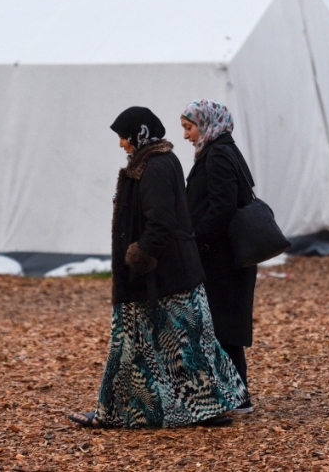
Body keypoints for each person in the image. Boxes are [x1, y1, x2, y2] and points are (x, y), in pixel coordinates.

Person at [68, 106, 247, 429]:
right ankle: (206, 409)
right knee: (184, 346)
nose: (121, 143)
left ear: (139, 133)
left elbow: (160, 222)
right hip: (174, 273)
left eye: (123, 136)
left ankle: (117, 412)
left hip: (161, 276)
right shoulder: (157, 162)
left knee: (135, 348)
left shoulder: (153, 166)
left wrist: (139, 258)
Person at [180, 99, 258, 415]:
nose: (186, 135)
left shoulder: (218, 155)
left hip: (222, 259)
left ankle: (237, 398)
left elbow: (222, 207)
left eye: (189, 127)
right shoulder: (222, 150)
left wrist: (196, 241)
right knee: (223, 328)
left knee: (225, 329)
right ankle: (231, 396)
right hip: (223, 257)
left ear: (207, 123)